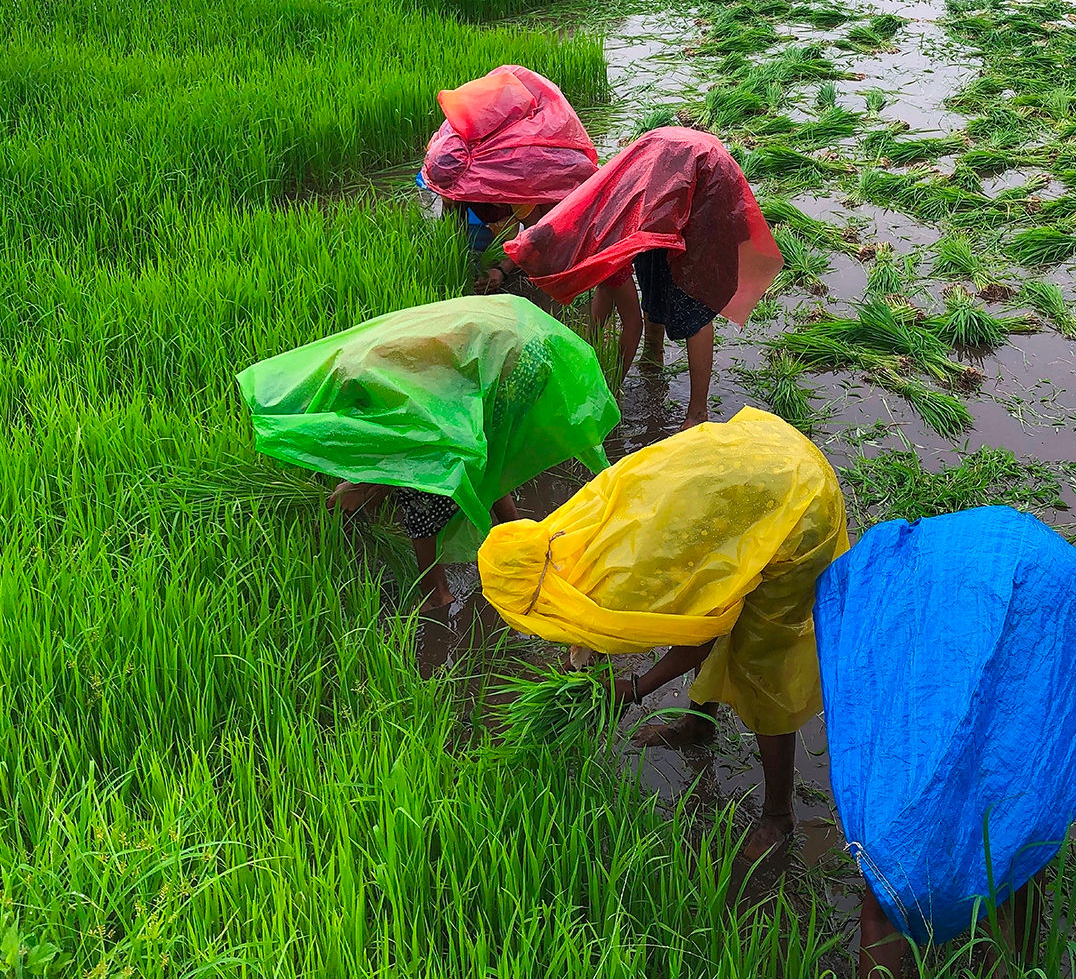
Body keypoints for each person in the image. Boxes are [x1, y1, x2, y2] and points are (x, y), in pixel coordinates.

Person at [813, 506, 1076, 979]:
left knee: (1021, 799)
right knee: (912, 853)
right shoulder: (900, 632)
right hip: (978, 576)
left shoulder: (921, 601)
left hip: (1035, 586)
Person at [478, 407, 848, 857]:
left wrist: (634, 688)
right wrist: (586, 649)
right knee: (717, 588)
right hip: (756, 456)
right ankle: (698, 725)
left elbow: (700, 633)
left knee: (761, 666)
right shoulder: (568, 536)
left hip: (799, 506)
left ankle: (778, 816)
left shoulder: (636, 565)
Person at [236, 296, 620, 612]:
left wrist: (366, 486)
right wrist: (365, 484)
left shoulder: (361, 377)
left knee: (429, 485)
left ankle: (436, 593)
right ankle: (518, 538)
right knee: (481, 454)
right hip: (519, 337)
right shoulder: (355, 359)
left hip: (506, 360)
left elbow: (416, 444)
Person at [491, 128, 782, 428]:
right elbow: (601, 307)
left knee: (691, 304)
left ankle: (697, 413)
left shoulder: (601, 245)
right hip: (668, 172)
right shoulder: (587, 233)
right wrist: (584, 355)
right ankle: (653, 354)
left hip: (706, 181)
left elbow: (632, 323)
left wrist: (609, 384)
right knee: (652, 267)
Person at [417, 64, 598, 269]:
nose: (447, 197)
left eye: (450, 195)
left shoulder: (512, 181)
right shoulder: (446, 150)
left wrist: (502, 270)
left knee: (557, 238)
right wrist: (452, 261)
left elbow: (536, 235)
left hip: (531, 155)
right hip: (490, 159)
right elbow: (452, 227)